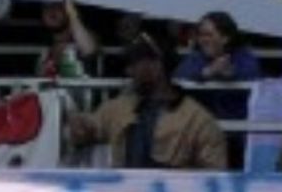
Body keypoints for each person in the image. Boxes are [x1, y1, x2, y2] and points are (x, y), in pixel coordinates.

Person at [67, 33, 229, 171]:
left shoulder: (198, 120)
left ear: (157, 65)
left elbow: (214, 175)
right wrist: (80, 125)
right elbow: (89, 129)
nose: (128, 71)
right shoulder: (118, 108)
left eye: (134, 63)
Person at [172, 10, 262, 128]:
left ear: (225, 38)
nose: (203, 40)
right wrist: (207, 72)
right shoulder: (196, 56)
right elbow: (178, 76)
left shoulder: (243, 55)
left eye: (208, 35)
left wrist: (231, 74)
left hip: (237, 129)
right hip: (203, 129)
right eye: (201, 35)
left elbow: (254, 76)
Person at [36, 0, 100, 81]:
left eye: (58, 6)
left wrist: (71, 13)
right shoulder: (45, 51)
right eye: (46, 8)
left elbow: (89, 49)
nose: (51, 11)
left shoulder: (83, 37)